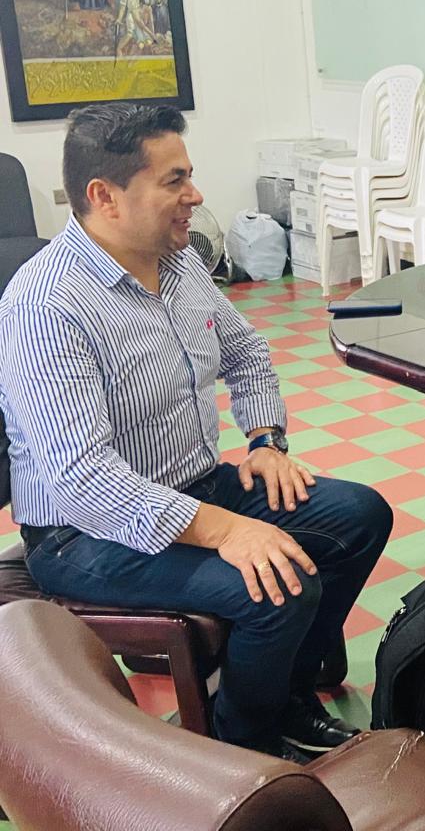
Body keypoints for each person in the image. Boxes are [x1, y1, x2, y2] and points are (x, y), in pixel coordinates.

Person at [0, 103, 392, 763]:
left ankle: (285, 697)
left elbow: (246, 353)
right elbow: (84, 480)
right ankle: (243, 745)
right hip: (83, 534)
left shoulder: (176, 263)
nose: (196, 195)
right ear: (105, 196)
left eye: (190, 175)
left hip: (194, 485)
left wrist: (265, 442)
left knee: (359, 516)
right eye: (174, 180)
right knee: (281, 586)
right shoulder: (47, 306)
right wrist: (228, 530)